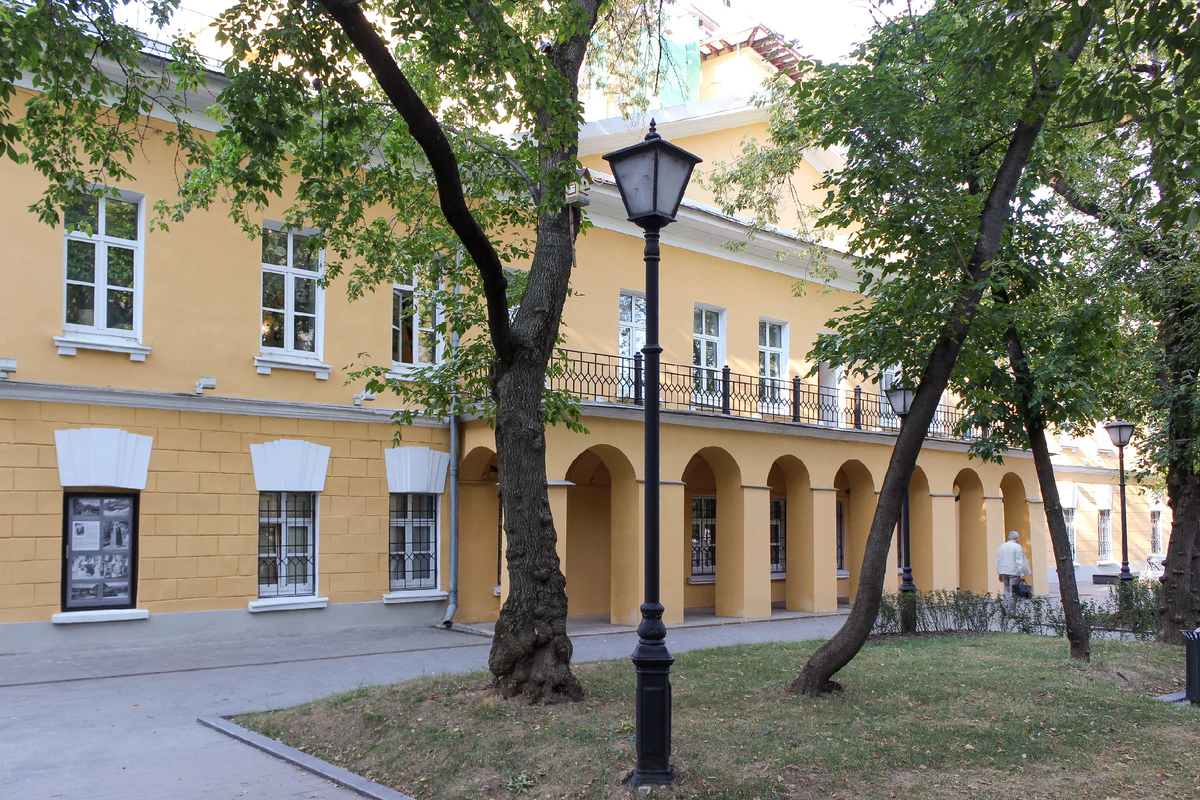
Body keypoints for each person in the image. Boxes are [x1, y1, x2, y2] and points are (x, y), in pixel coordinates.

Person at [996, 530, 1031, 603]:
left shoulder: (1002, 546)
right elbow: (1019, 561)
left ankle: (1006, 605)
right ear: (1017, 538)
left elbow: (999, 560)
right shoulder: (1017, 547)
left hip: (1003, 571)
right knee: (1013, 591)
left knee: (1006, 589)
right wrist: (1022, 574)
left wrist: (999, 572)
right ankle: (1012, 610)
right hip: (1014, 572)